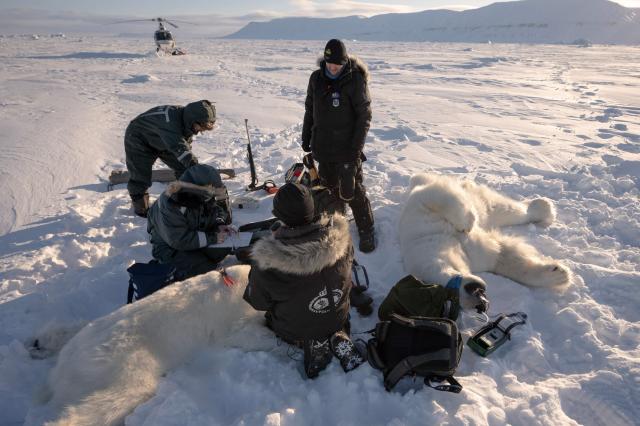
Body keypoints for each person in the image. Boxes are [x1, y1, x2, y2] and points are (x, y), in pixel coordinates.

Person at [243, 183, 365, 379]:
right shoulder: (341, 240)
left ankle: (311, 342)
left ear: (279, 216)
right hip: (339, 316)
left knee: (280, 314)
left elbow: (258, 303)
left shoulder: (269, 262)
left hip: (294, 329)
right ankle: (336, 333)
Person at [301, 39, 376, 253]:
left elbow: (364, 117)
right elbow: (309, 110)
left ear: (344, 62)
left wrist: (355, 150)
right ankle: (336, 222)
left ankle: (366, 228)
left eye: (337, 64)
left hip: (347, 148)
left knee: (352, 190)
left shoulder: (355, 80)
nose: (332, 68)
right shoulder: (316, 78)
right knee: (329, 188)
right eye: (329, 63)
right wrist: (306, 136)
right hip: (323, 146)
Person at [125, 99, 216, 217]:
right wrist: (196, 168)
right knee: (140, 175)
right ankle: (141, 209)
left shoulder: (186, 119)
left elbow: (184, 146)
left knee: (183, 168)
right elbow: (180, 148)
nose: (199, 131)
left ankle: (187, 199)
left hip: (162, 140)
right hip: (139, 138)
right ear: (193, 119)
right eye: (200, 127)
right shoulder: (170, 122)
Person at [147, 164, 233, 280]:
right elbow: (179, 240)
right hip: (171, 249)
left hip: (196, 240)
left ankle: (201, 260)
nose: (211, 195)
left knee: (227, 246)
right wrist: (213, 238)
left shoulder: (203, 196)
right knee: (212, 276)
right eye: (210, 191)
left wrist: (220, 223)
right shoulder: (170, 203)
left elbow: (217, 210)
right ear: (197, 187)